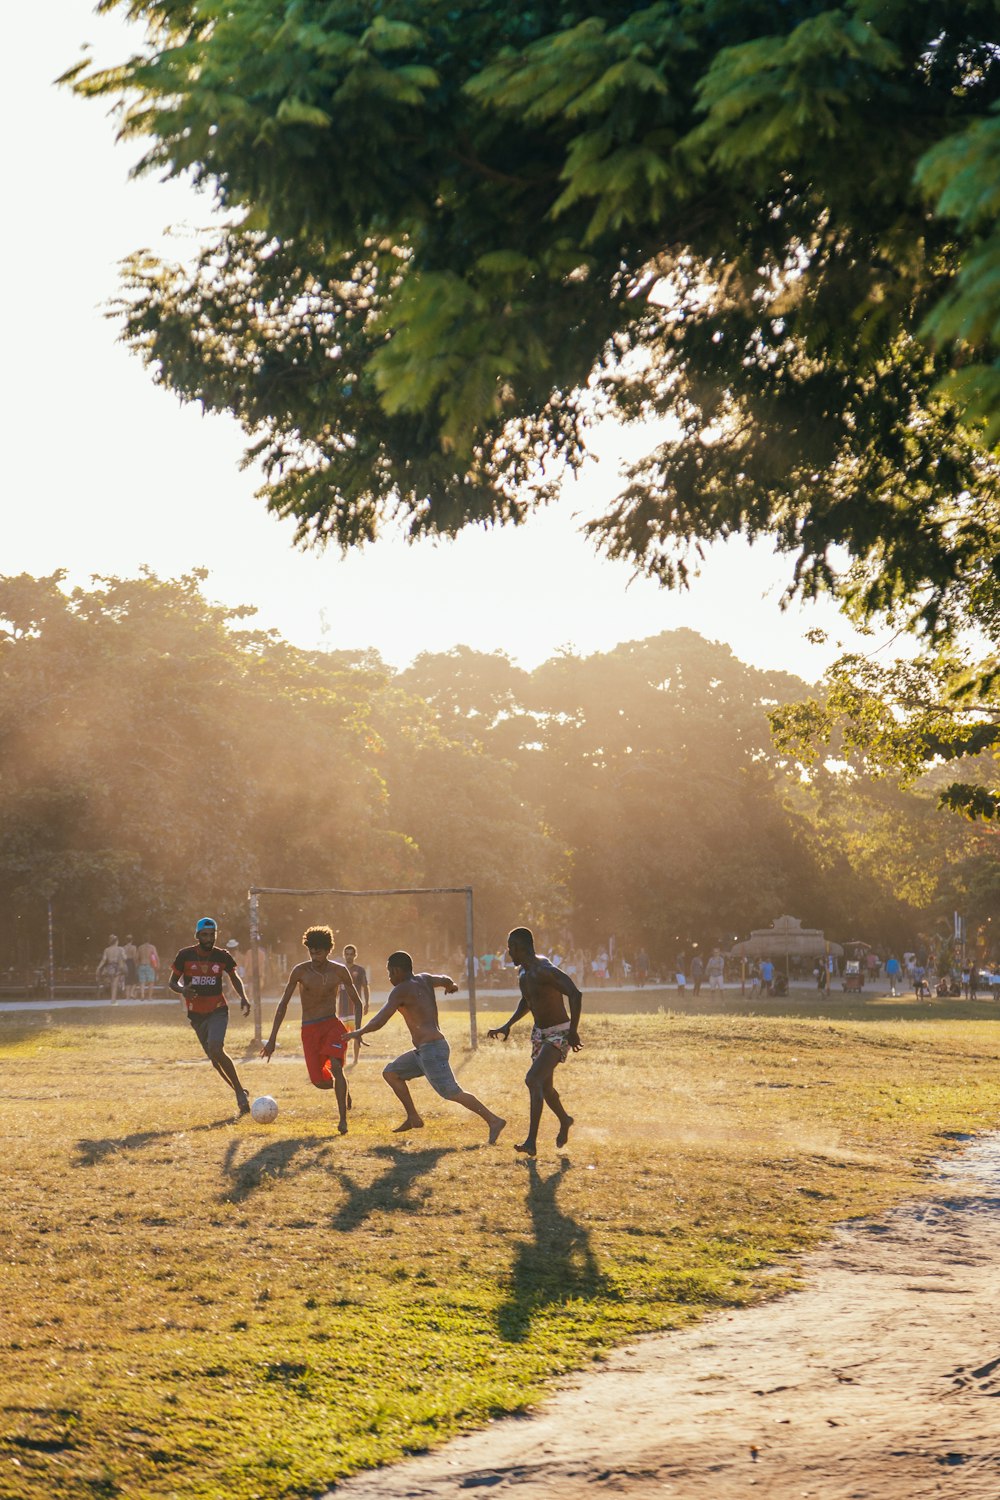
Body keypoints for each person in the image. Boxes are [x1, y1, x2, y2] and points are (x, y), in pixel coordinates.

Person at [344, 952, 506, 1142]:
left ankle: (494, 1120)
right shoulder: (425, 979)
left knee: (452, 1092)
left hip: (432, 1050)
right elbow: (445, 979)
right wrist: (451, 985)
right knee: (391, 1073)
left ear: (397, 970)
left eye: (389, 973)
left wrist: (358, 1032)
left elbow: (381, 1019)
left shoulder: (400, 990)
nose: (389, 978)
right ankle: (413, 1117)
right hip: (425, 1050)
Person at [487, 926, 582, 1157]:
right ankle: (565, 1120)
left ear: (519, 948)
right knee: (545, 1087)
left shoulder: (544, 970)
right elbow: (528, 1001)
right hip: (540, 1034)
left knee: (532, 1079)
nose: (508, 953)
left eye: (510, 948)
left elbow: (575, 993)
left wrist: (573, 1031)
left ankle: (531, 1142)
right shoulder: (523, 973)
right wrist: (507, 1025)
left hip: (559, 1032)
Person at [261, 926, 363, 1134]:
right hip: (309, 1029)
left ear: (328, 950)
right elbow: (283, 1005)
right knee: (319, 1082)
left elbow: (358, 1003)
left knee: (336, 1066)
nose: (315, 955)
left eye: (319, 951)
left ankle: (343, 1120)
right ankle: (343, 1090)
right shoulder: (300, 971)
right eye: (311, 951)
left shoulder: (339, 971)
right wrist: (271, 1040)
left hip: (332, 1025)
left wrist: (358, 1031)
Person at [169, 917, 252, 1116]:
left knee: (216, 1047)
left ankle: (240, 1094)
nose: (209, 938)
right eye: (205, 935)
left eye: (212, 934)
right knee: (214, 1060)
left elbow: (234, 977)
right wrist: (183, 990)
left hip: (218, 1009)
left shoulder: (222, 956)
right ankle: (239, 1091)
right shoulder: (185, 955)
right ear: (197, 936)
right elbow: (172, 982)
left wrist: (243, 997)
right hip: (196, 1015)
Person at [337, 943, 370, 1064]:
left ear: (355, 955)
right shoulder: (339, 970)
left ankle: (355, 1060)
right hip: (341, 1009)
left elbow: (365, 987)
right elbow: (335, 989)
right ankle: (343, 1060)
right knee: (342, 1037)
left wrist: (367, 1003)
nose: (349, 956)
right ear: (344, 955)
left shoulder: (359, 970)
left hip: (355, 1009)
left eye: (351, 954)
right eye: (347, 954)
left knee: (356, 1035)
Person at [96, 934, 127, 1003]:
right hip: (117, 967)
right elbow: (125, 958)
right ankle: (113, 1000)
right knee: (115, 984)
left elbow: (104, 960)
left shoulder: (106, 950)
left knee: (112, 983)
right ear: (117, 941)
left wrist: (99, 967)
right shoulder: (120, 949)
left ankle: (113, 999)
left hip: (109, 967)